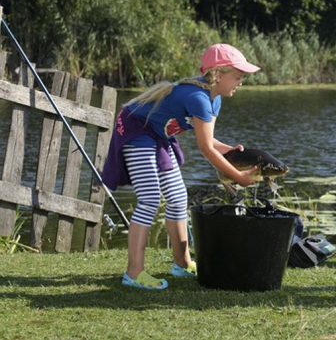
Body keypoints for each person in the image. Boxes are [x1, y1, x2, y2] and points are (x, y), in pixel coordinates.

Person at [102, 43, 261, 290]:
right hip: (136, 131)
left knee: (177, 198)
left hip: (159, 136)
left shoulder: (214, 99)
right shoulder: (198, 97)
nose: (241, 82)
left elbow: (210, 141)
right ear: (218, 75)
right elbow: (206, 149)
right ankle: (133, 273)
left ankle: (182, 263)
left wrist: (228, 150)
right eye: (238, 77)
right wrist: (238, 177)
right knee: (150, 199)